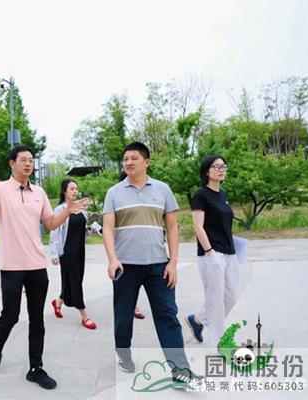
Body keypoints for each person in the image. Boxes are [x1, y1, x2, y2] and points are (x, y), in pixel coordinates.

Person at [0, 146, 88, 390]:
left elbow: (51, 223)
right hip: (11, 266)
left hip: (37, 265)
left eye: (31, 160)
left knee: (37, 319)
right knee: (11, 315)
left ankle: (36, 368)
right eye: (23, 160)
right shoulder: (0, 189)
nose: (28, 164)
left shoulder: (39, 192)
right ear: (12, 163)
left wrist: (69, 210)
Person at [102, 142, 198, 388]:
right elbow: (108, 228)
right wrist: (112, 259)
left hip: (158, 266)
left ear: (146, 162)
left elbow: (173, 227)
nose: (128, 162)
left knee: (168, 316)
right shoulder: (114, 192)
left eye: (134, 158)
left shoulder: (163, 189)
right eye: (125, 159)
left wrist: (173, 262)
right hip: (125, 267)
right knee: (123, 317)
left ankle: (181, 372)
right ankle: (124, 354)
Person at [186, 155, 238, 348]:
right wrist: (210, 252)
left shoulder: (223, 194)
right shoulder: (201, 195)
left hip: (229, 252)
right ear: (207, 171)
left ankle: (197, 319)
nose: (221, 170)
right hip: (211, 254)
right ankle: (219, 343)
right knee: (215, 301)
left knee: (231, 296)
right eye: (216, 167)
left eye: (223, 166)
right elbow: (198, 227)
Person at [49, 179, 96, 329]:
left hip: (80, 251)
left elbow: (83, 230)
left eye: (76, 189)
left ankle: (58, 301)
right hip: (67, 251)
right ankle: (85, 315)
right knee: (75, 282)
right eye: (72, 189)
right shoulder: (60, 209)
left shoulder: (81, 209)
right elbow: (54, 232)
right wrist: (54, 254)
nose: (75, 191)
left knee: (72, 280)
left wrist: (91, 230)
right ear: (65, 192)